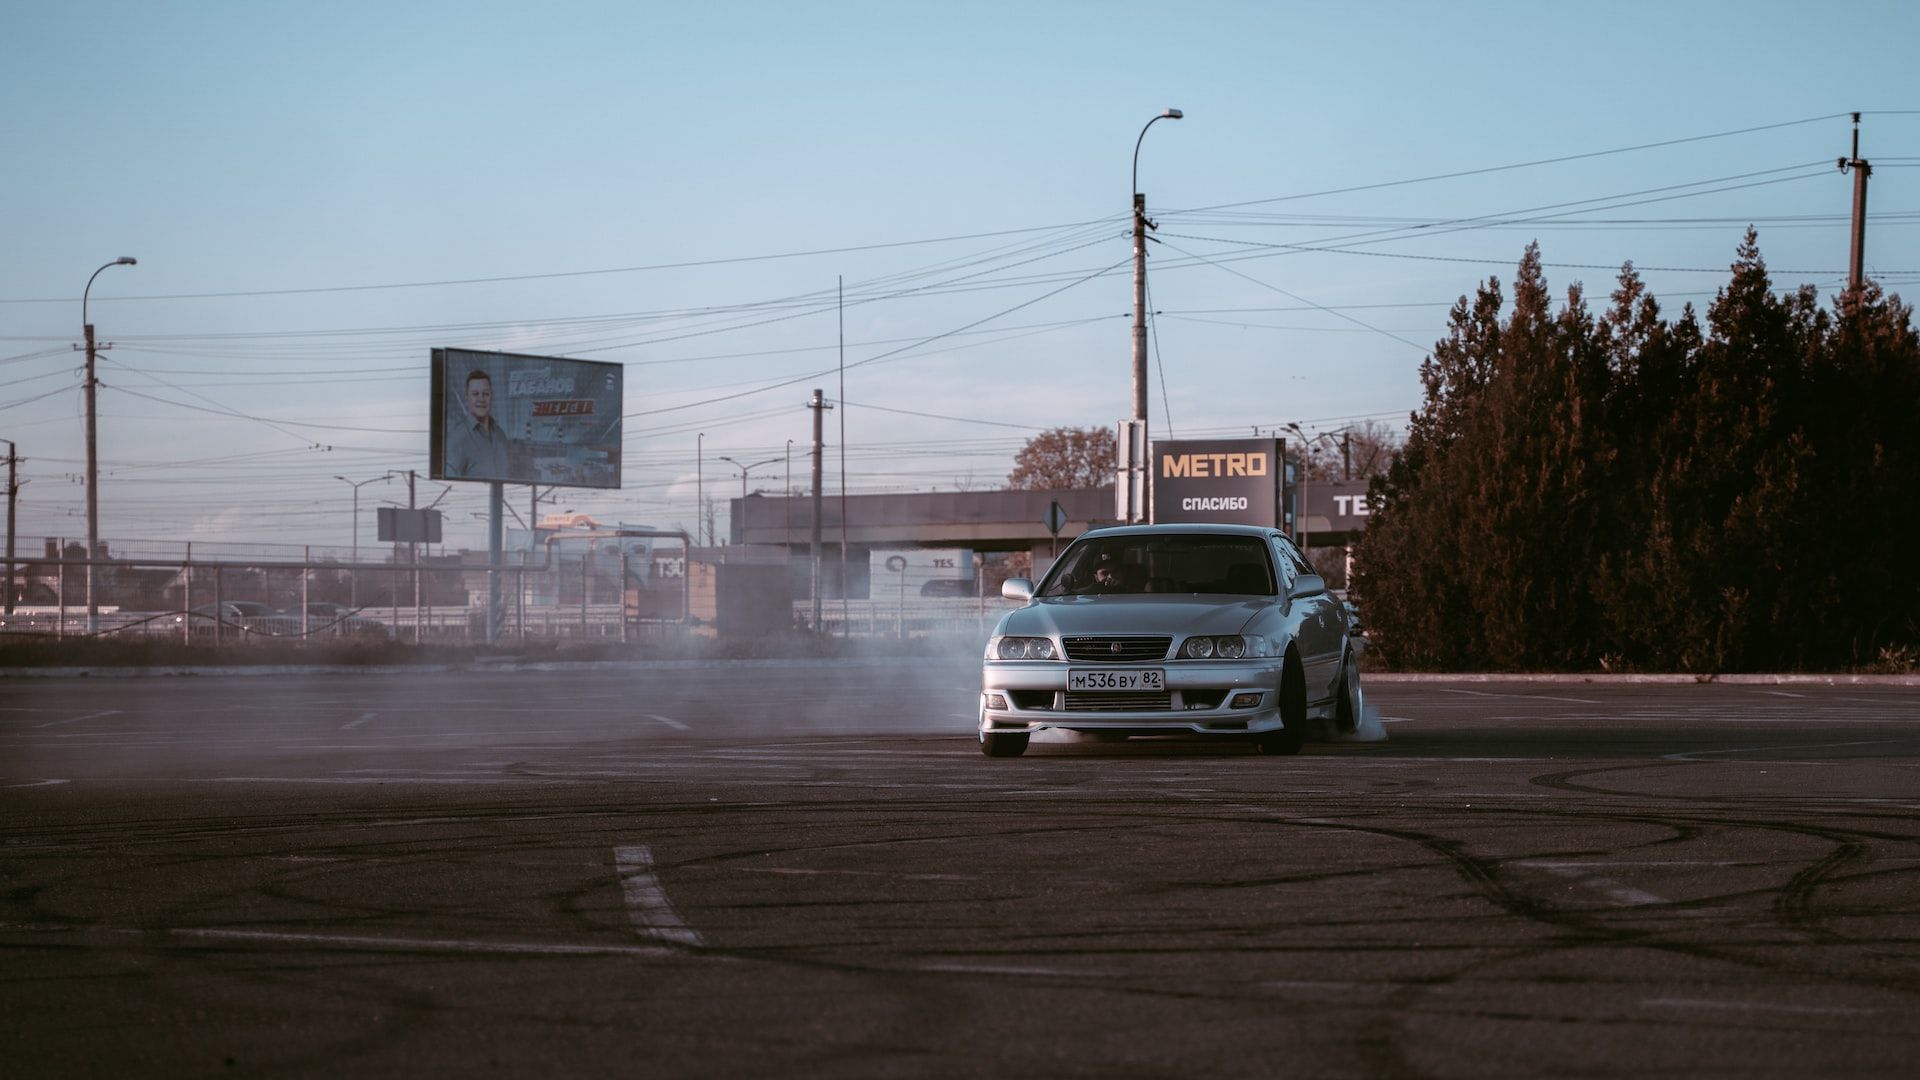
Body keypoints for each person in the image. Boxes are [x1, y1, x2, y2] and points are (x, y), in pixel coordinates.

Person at [445, 369, 515, 479]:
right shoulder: (456, 439)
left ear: (491, 397)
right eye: (475, 394)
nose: (481, 399)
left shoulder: (500, 435)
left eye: (485, 394)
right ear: (466, 399)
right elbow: (452, 484)